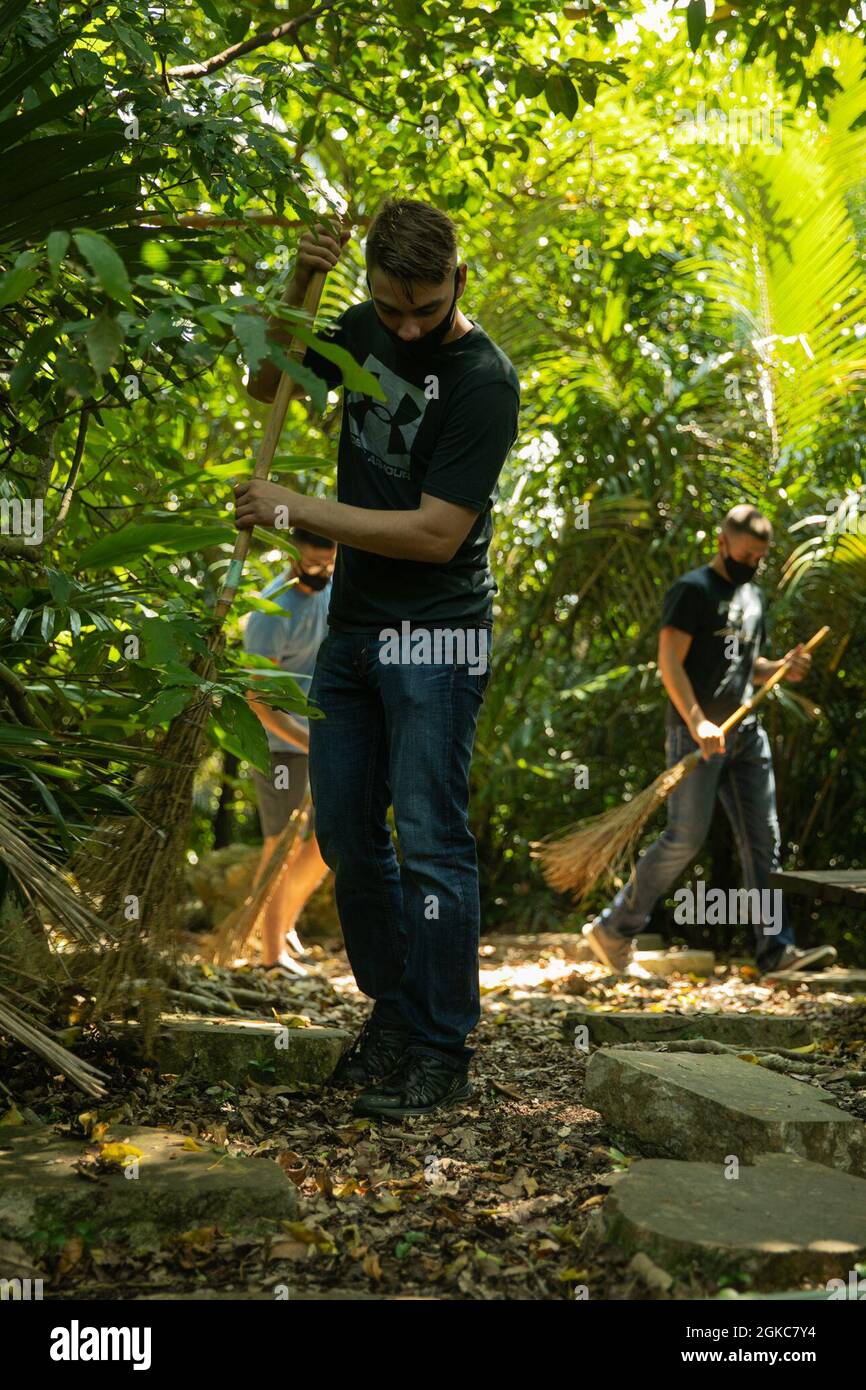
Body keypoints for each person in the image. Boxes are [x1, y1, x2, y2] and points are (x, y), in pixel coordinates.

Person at [238, 198, 520, 1117]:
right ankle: (393, 1018)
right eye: (390, 308)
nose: (405, 327)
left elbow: (438, 534)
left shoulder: (484, 380)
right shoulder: (359, 325)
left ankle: (443, 1046)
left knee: (432, 843)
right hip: (353, 632)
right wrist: (297, 286)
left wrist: (296, 509)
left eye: (424, 311)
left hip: (437, 634)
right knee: (348, 838)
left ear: (459, 284)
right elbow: (263, 381)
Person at [582, 504, 837, 978]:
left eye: (760, 557)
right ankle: (614, 929)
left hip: (745, 732)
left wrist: (781, 667)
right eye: (745, 555)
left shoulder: (754, 598)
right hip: (694, 735)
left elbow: (747, 666)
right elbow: (670, 663)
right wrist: (698, 722)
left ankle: (777, 952)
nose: (752, 564)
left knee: (765, 840)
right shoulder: (692, 591)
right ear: (722, 543)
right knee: (684, 838)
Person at [243, 529, 335, 971]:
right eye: (315, 564)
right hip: (279, 743)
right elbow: (257, 700)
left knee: (328, 840)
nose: (323, 572)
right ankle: (270, 954)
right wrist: (307, 740)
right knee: (280, 842)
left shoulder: (334, 592)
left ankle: (284, 927)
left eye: (331, 563)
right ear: (293, 556)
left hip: (321, 737)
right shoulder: (271, 612)